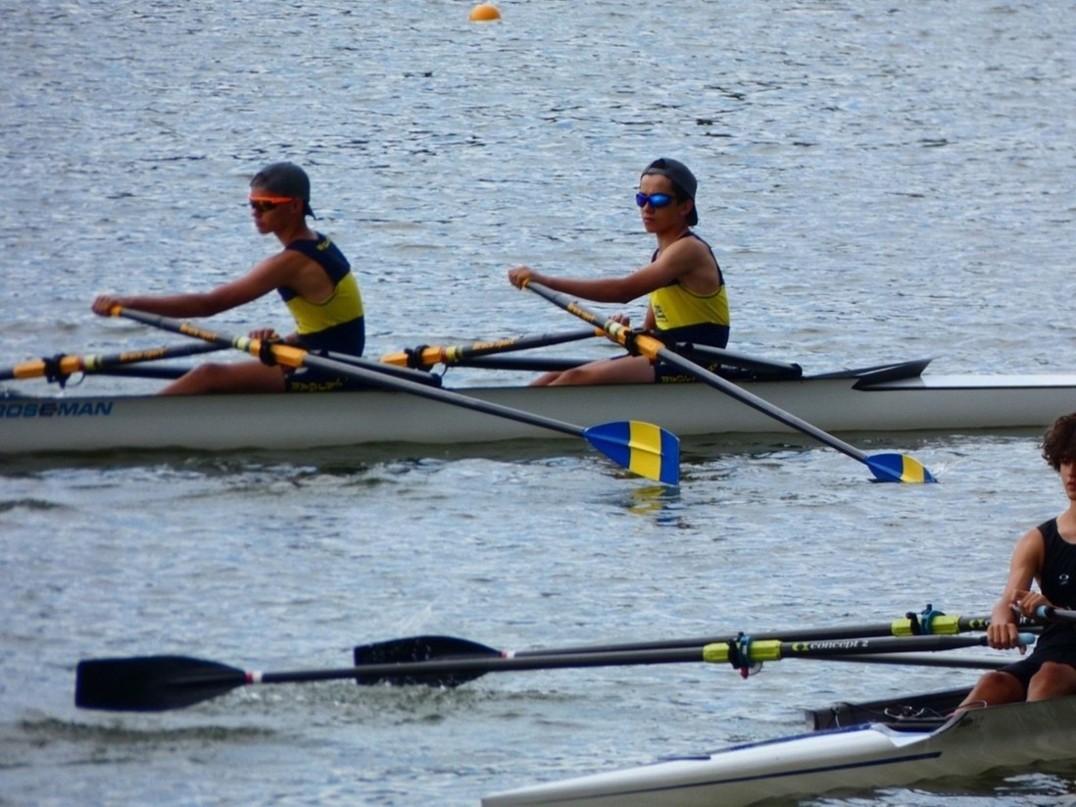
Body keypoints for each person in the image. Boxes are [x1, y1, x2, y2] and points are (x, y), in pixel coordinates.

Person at [92, 161, 364, 395]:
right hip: (329, 358)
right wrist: (284, 342)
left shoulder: (291, 263)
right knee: (216, 374)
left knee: (207, 375)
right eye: (252, 204)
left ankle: (130, 425)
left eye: (266, 205)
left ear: (294, 206)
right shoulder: (319, 242)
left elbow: (208, 305)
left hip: (330, 368)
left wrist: (127, 303)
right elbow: (332, 328)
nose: (256, 212)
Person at [507, 157, 728, 386]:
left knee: (575, 378)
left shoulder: (689, 250)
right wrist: (624, 336)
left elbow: (623, 291)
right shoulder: (661, 256)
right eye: (641, 198)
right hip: (670, 354)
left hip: (699, 363)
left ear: (685, 207)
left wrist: (544, 280)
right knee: (550, 378)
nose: (647, 208)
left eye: (658, 200)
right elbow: (651, 331)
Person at [955, 411, 1076, 712]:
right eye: (1065, 461)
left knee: (1048, 678)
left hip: (1054, 674)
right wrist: (1001, 619)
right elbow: (1009, 601)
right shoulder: (1037, 540)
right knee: (993, 682)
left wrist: (1054, 609)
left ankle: (1029, 736)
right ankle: (950, 731)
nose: (1071, 472)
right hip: (1050, 655)